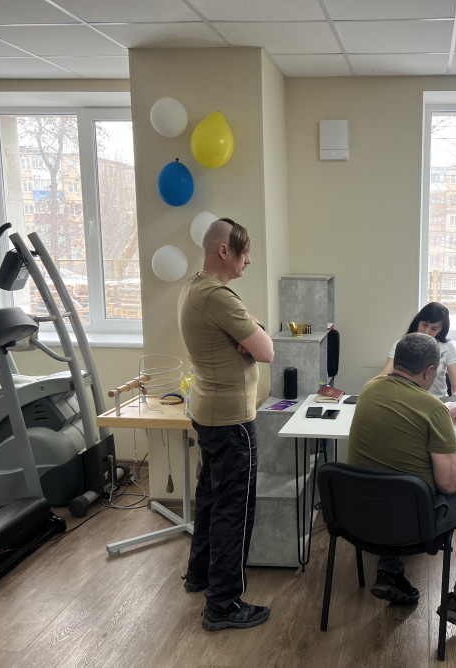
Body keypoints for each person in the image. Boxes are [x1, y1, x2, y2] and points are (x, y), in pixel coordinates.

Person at [348, 332, 456, 632]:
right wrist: (441, 419)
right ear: (428, 371)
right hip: (414, 522)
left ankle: (390, 572)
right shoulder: (432, 409)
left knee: (388, 472)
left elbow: (406, 414)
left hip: (362, 515)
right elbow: (451, 485)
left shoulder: (369, 390)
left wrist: (440, 413)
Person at [177, 218, 275, 632]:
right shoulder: (218, 296)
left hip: (208, 413)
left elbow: (255, 333)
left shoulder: (196, 287)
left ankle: (199, 575)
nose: (248, 260)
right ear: (224, 251)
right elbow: (266, 350)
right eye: (244, 251)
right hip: (232, 420)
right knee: (235, 509)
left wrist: (251, 333)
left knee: (212, 499)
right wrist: (252, 336)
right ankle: (223, 604)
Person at [378, 301, 456, 401]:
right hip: (407, 401)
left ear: (441, 330)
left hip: (438, 401)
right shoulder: (402, 344)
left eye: (434, 329)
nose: (426, 332)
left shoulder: (447, 347)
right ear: (418, 322)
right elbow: (384, 376)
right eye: (424, 325)